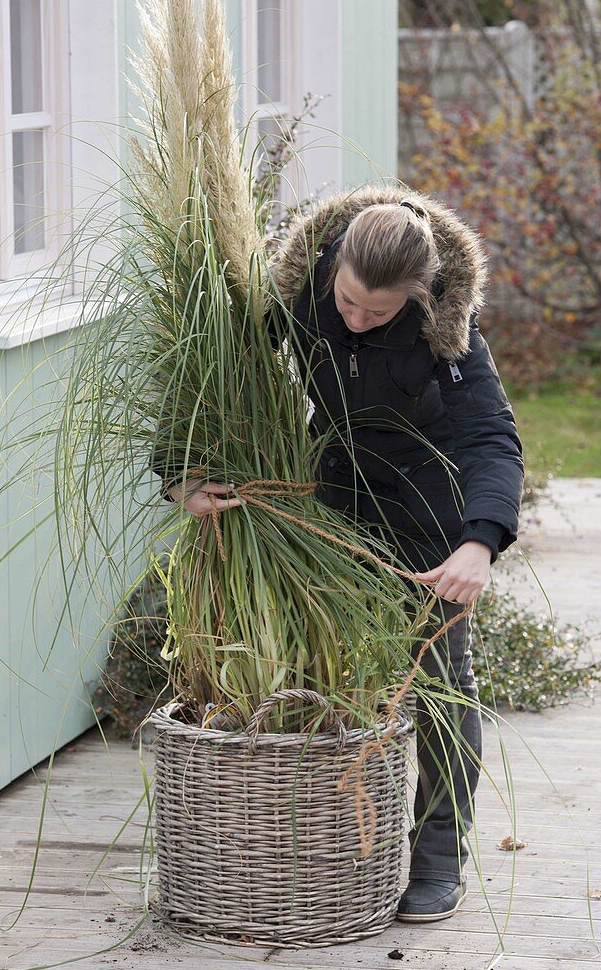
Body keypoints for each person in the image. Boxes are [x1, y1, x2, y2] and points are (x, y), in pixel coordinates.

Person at [167, 185, 524, 924]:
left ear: (417, 299)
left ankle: (436, 859)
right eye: (350, 302)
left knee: (438, 686)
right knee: (315, 676)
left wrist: (479, 543)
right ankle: (320, 847)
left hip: (429, 518)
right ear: (335, 269)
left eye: (377, 312)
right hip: (332, 506)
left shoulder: (447, 332)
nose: (356, 318)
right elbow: (214, 374)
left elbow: (491, 438)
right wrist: (183, 473)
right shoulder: (298, 293)